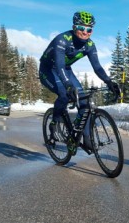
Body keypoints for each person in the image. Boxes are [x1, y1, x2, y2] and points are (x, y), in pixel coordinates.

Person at [39, 11, 120, 151]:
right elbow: (58, 66)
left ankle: (84, 138)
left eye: (89, 29)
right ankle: (55, 122)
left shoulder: (89, 45)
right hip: (48, 69)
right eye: (81, 28)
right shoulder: (62, 40)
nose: (85, 32)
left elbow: (97, 67)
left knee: (84, 103)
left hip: (66, 70)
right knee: (64, 94)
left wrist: (109, 82)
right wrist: (69, 86)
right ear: (74, 26)